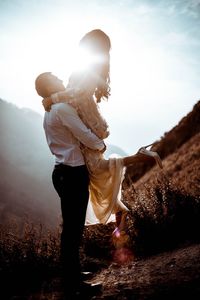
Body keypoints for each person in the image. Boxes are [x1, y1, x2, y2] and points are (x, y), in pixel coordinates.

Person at [42, 29, 163, 234]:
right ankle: (121, 210)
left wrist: (52, 98)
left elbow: (79, 92)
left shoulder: (87, 70)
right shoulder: (92, 67)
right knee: (97, 173)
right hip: (90, 123)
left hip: (88, 125)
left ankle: (134, 168)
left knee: (97, 171)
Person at [35, 73, 105, 298]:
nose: (59, 77)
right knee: (72, 231)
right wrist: (100, 145)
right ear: (49, 87)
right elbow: (84, 134)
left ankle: (72, 275)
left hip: (63, 172)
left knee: (72, 229)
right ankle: (73, 285)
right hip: (72, 173)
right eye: (54, 78)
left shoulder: (50, 110)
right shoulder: (62, 109)